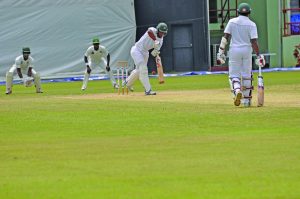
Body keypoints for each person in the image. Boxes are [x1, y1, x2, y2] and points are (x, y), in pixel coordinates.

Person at [217, 2, 265, 107]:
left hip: (234, 50)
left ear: (238, 12)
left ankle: (237, 90)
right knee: (247, 76)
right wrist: (258, 56)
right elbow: (254, 42)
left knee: (234, 75)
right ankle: (247, 101)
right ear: (249, 13)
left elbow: (225, 37)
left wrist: (220, 52)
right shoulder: (252, 24)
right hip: (247, 51)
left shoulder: (232, 22)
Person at [124, 22, 168, 95]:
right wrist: (155, 40)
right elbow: (149, 32)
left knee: (139, 71)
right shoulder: (153, 30)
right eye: (161, 32)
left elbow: (153, 53)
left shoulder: (161, 41)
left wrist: (156, 53)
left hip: (145, 53)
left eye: (163, 33)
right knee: (143, 69)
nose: (162, 34)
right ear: (158, 30)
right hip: (137, 50)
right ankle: (148, 90)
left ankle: (127, 82)